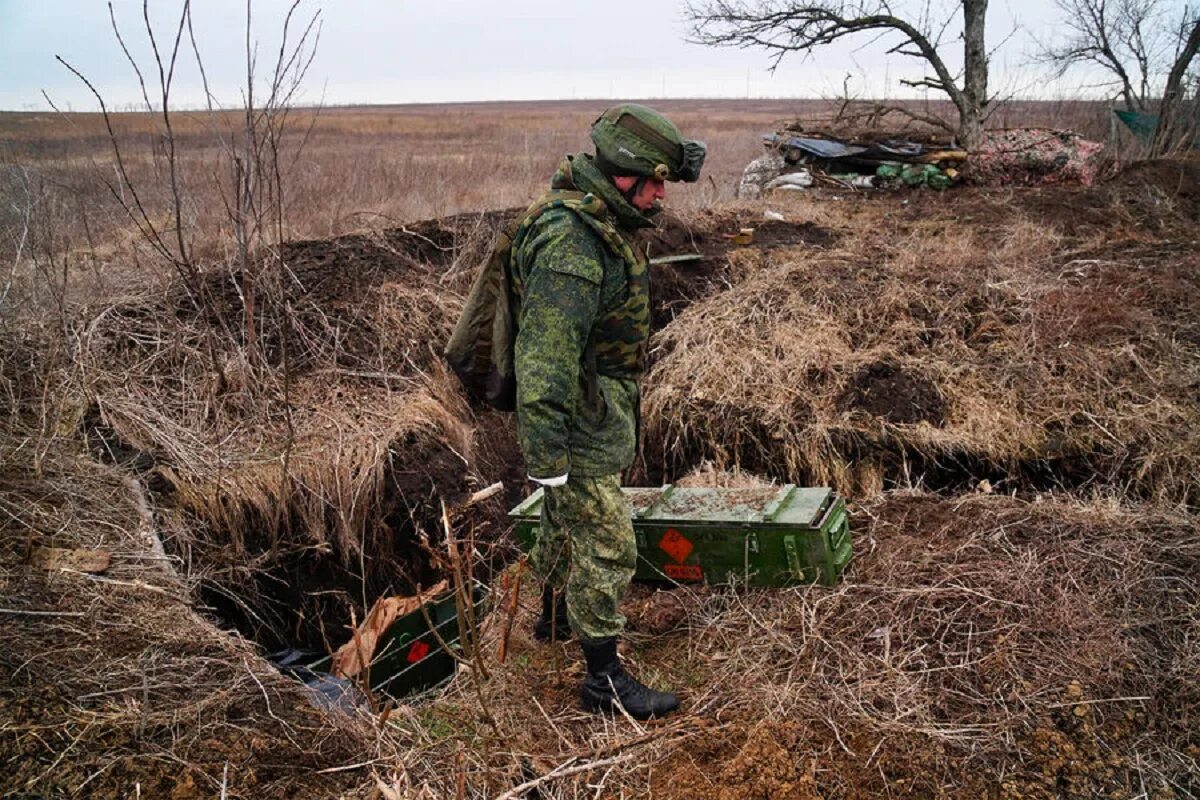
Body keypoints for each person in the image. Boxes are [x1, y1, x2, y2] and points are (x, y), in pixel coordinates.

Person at [509, 104, 706, 720]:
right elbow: (543, 360)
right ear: (619, 172)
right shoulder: (572, 242)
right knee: (609, 540)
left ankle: (547, 620)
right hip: (577, 419)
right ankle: (602, 681)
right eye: (652, 179)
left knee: (567, 524)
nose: (659, 193)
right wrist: (546, 458)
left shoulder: (602, 222)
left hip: (597, 411)